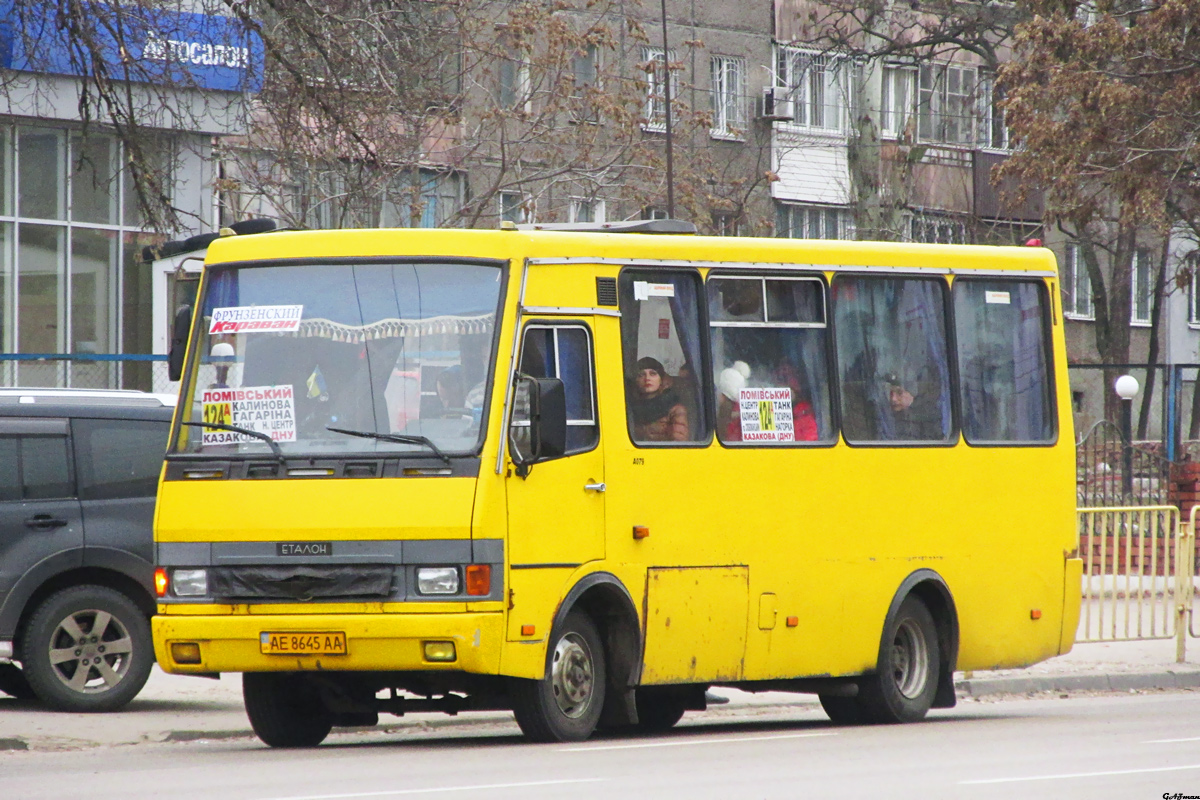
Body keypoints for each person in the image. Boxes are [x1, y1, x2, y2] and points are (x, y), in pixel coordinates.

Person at [630, 356, 689, 441]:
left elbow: (678, 441)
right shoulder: (629, 408)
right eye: (641, 374)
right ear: (636, 380)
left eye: (653, 374)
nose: (647, 379)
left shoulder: (676, 410)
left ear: (661, 380)